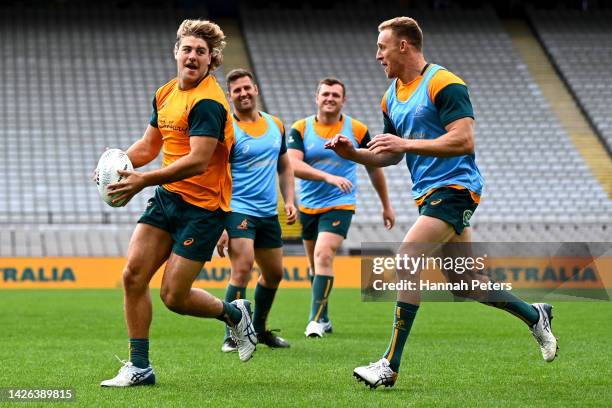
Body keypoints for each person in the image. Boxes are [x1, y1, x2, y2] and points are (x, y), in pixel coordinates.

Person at [325, 17, 558, 389]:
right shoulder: (391, 97)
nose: (376, 55)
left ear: (404, 45)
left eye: (381, 47)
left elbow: (464, 140)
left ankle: (390, 365)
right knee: (466, 283)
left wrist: (405, 144)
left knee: (406, 258)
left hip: (455, 188)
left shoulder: (444, 82)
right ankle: (535, 315)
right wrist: (353, 154)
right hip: (429, 195)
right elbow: (391, 154)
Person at [99, 19, 257, 388]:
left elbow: (199, 160)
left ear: (211, 60)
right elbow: (150, 147)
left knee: (174, 296)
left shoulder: (209, 102)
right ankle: (140, 366)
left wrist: (142, 180)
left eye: (201, 52)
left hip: (203, 209)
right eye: (187, 49)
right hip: (168, 198)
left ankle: (234, 314)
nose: (192, 56)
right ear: (176, 52)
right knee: (132, 275)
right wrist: (115, 166)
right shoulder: (166, 93)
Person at [287, 77, 395, 338]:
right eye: (325, 94)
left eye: (336, 95)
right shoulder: (300, 129)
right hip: (309, 206)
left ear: (343, 100)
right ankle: (323, 317)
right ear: (317, 97)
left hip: (340, 204)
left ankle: (313, 320)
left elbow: (374, 166)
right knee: (314, 266)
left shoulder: (356, 129)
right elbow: (293, 165)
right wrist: (327, 177)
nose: (330, 98)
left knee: (324, 255)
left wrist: (386, 205)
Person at [215, 68, 297, 352]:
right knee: (242, 268)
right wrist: (221, 223)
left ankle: (259, 330)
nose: (243, 93)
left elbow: (285, 165)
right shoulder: (228, 129)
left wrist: (289, 200)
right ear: (230, 96)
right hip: (238, 210)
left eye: (247, 88)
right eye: (237, 90)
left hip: (268, 214)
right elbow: (217, 174)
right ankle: (233, 334)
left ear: (256, 89)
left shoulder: (275, 124)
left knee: (274, 274)